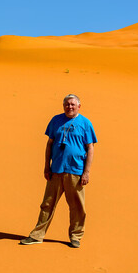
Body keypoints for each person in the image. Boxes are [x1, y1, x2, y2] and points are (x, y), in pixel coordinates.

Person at [20, 94, 97, 248]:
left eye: (73, 104)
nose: (70, 107)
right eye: (67, 104)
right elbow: (49, 144)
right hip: (56, 170)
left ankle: (75, 237)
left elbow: (90, 148)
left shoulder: (86, 123)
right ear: (63, 106)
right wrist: (46, 166)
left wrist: (86, 172)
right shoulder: (56, 120)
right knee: (47, 204)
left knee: (77, 206)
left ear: (79, 106)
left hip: (75, 171)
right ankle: (37, 235)